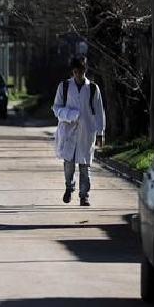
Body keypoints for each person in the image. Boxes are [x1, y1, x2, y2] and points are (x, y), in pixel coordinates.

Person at [52, 56, 106, 206]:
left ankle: (84, 195)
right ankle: (69, 187)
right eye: (75, 71)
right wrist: (69, 115)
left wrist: (101, 133)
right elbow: (56, 108)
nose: (78, 74)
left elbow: (99, 112)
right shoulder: (64, 87)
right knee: (68, 163)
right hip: (69, 131)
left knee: (85, 164)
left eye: (81, 71)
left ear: (85, 70)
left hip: (87, 132)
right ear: (72, 71)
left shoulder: (93, 88)